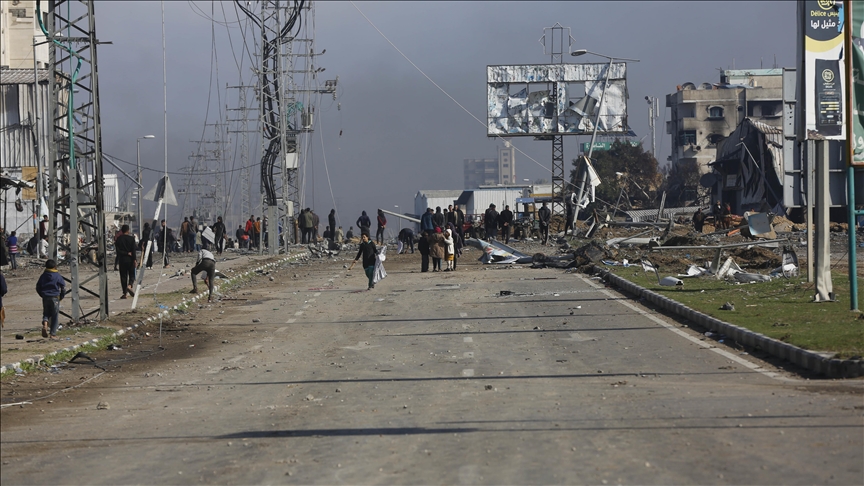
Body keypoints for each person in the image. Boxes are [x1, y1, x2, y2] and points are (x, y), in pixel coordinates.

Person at [36, 259, 65, 339]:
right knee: (54, 316)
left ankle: (45, 322)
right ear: (55, 266)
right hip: (55, 297)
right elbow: (63, 287)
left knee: (46, 312)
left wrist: (42, 295)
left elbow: (38, 287)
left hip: (45, 297)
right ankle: (53, 334)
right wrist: (61, 297)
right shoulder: (58, 276)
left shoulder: (43, 276)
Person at [115, 224, 137, 299]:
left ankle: (125, 293)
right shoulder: (131, 239)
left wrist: (125, 253)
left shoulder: (118, 239)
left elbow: (118, 251)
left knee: (123, 276)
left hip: (122, 260)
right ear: (128, 230)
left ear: (122, 231)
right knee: (132, 274)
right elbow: (133, 250)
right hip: (130, 259)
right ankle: (130, 285)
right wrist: (134, 259)